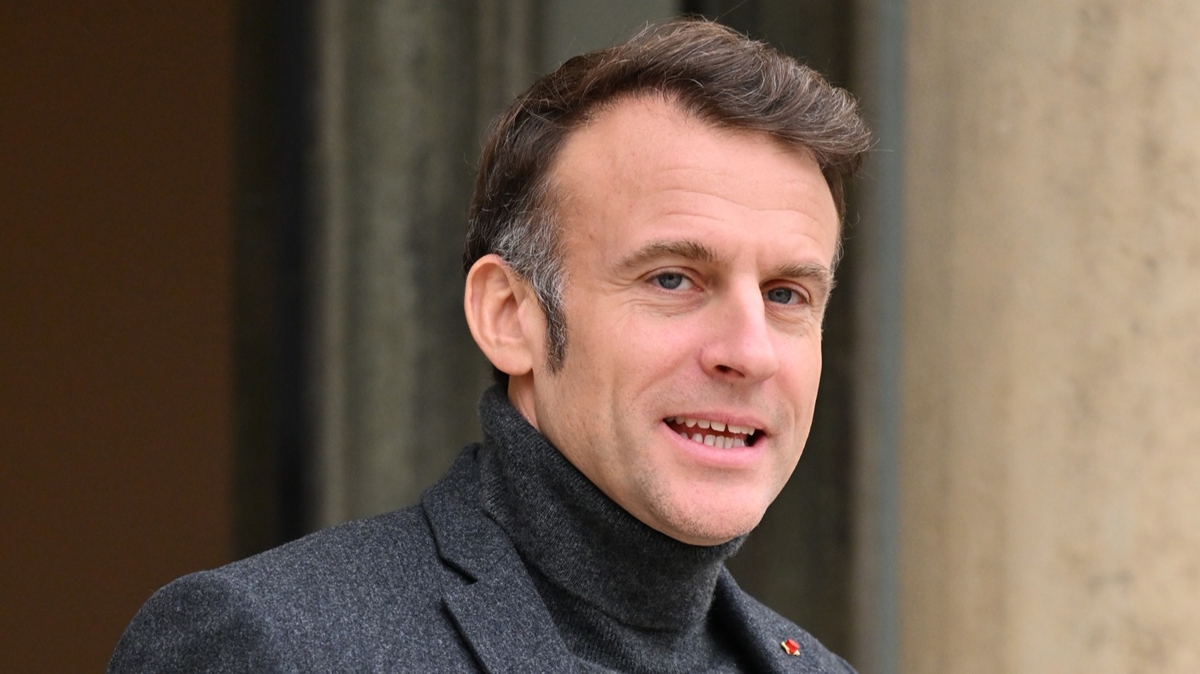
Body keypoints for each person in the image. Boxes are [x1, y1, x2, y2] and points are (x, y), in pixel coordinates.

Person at [108, 18, 871, 673]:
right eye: (673, 279)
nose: (749, 352)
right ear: (510, 315)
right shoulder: (271, 644)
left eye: (786, 295)